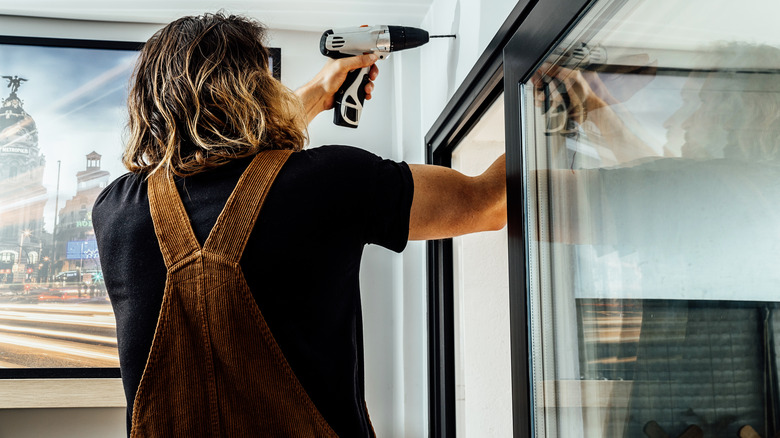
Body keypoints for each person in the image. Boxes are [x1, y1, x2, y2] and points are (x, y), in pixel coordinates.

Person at [92, 13, 506, 438]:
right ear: (255, 89)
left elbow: (248, 177)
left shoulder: (116, 211)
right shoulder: (333, 181)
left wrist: (322, 90)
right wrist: (547, 94)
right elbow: (488, 202)